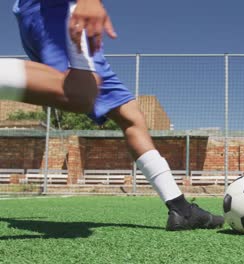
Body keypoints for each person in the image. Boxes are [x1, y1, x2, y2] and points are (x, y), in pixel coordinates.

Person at [0, 0, 223, 231]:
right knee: (79, 93)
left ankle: (181, 210)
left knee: (131, 117)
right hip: (55, 11)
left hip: (47, 13)